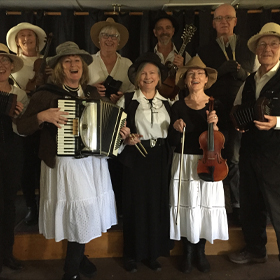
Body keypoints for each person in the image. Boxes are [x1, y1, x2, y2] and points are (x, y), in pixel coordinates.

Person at [17, 41, 129, 280]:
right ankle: (70, 271)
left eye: (77, 60)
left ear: (83, 66)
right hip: (65, 162)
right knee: (80, 211)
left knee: (85, 212)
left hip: (92, 161)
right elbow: (23, 126)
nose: (73, 64)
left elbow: (102, 126)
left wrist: (118, 133)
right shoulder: (46, 94)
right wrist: (42, 115)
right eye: (67, 61)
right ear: (59, 68)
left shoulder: (89, 92)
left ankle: (80, 256)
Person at [197, 4, 257, 223]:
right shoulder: (203, 50)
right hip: (216, 111)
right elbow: (195, 81)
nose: (224, 22)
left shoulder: (250, 47)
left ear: (235, 21)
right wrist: (219, 73)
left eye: (228, 18)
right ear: (213, 23)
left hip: (244, 113)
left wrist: (245, 74)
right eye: (219, 18)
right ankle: (216, 205)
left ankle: (239, 205)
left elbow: (261, 78)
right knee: (218, 157)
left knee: (238, 158)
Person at [168, 56, 228, 273]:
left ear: (206, 80)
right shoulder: (176, 106)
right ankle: (188, 252)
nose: (195, 77)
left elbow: (225, 140)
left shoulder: (216, 105)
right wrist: (175, 128)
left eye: (199, 74)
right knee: (186, 205)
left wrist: (217, 125)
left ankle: (200, 251)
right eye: (190, 74)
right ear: (185, 80)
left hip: (210, 161)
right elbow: (172, 143)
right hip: (184, 162)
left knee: (203, 206)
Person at [228, 22, 280, 264]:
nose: (267, 49)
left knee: (278, 209)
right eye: (262, 45)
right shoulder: (249, 80)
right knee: (250, 204)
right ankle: (255, 250)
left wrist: (277, 122)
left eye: (273, 44)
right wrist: (238, 121)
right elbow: (237, 107)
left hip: (276, 154)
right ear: (257, 51)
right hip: (249, 150)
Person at [117, 52, 171, 272]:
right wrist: (125, 137)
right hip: (135, 157)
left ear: (158, 77)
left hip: (159, 159)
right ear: (137, 77)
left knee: (155, 205)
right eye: (143, 74)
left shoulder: (168, 102)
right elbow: (116, 130)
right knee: (134, 205)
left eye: (152, 73)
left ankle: (152, 253)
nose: (148, 77)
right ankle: (131, 253)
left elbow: (174, 134)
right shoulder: (127, 100)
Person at [88, 17, 135, 217]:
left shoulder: (127, 63)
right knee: (96, 164)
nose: (109, 40)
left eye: (113, 36)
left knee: (118, 163)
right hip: (93, 119)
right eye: (105, 36)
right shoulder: (88, 61)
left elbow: (135, 90)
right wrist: (92, 90)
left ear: (119, 41)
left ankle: (119, 209)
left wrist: (122, 96)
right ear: (99, 40)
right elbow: (77, 88)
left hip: (119, 118)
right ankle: (99, 210)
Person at [6, 22, 50, 225]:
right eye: (21, 36)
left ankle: (45, 206)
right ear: (16, 41)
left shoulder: (46, 63)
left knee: (43, 164)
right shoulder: (11, 64)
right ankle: (31, 207)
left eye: (30, 35)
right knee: (25, 167)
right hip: (20, 120)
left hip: (43, 120)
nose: (26, 39)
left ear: (37, 40)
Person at [0, 43, 28, 273]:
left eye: (5, 60)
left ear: (11, 65)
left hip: (12, 150)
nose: (1, 65)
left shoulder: (21, 93)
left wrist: (18, 118)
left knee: (8, 203)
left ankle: (6, 253)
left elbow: (26, 129)